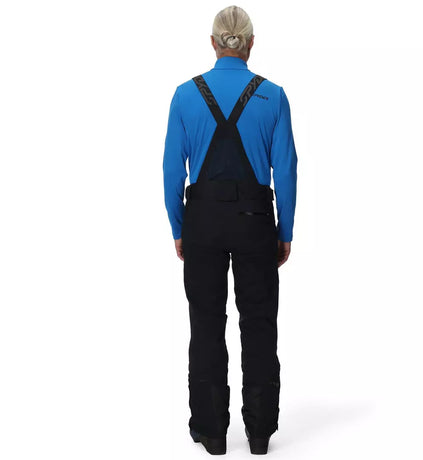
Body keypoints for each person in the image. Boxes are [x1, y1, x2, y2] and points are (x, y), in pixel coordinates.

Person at [163, 5, 297, 455]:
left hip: (202, 222)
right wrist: (284, 231)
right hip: (256, 222)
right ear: (251, 44)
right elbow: (287, 170)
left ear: (213, 43)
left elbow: (171, 170)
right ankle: (259, 434)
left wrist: (178, 227)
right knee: (259, 323)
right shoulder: (273, 96)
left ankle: (211, 432)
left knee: (205, 323)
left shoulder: (185, 95)